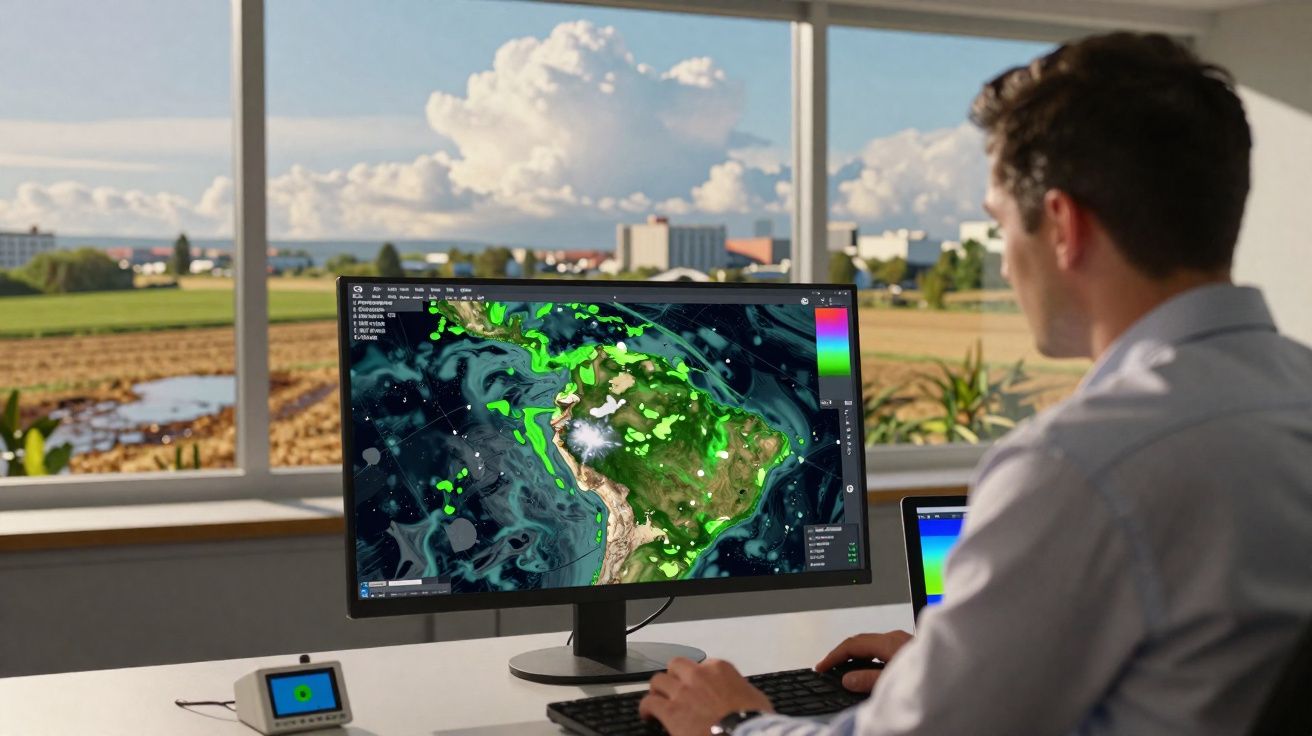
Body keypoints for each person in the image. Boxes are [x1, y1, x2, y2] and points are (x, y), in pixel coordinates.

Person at [639, 31, 1312, 736]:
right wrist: (949, 672)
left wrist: (729, 724)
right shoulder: (1289, 399)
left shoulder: (1080, 467)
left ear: (1061, 224)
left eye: (997, 225)